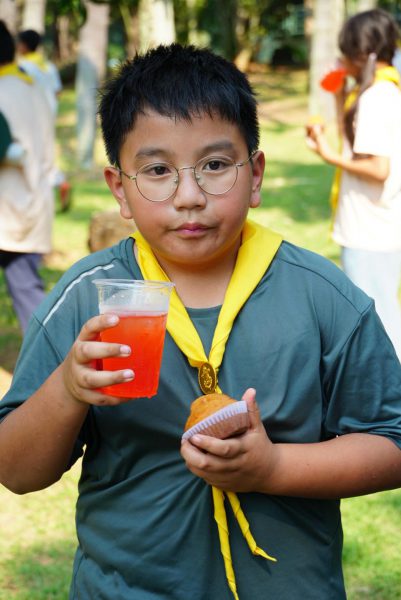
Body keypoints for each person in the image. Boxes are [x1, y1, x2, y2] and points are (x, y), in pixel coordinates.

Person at [1, 43, 401, 600]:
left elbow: (391, 442)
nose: (188, 196)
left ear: (255, 174)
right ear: (119, 189)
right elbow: (16, 471)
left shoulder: (322, 297)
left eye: (214, 165)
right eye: (157, 170)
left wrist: (272, 469)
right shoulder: (87, 298)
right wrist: (67, 389)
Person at [306, 9, 401, 360]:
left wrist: (328, 155)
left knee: (379, 323)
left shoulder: (377, 97)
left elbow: (378, 167)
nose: (340, 59)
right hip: (371, 226)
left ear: (362, 54)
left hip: (371, 231)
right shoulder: (377, 90)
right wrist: (338, 96)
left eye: (345, 52)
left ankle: (390, 389)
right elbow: (359, 147)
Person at [0, 21, 54, 334]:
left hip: (9, 204)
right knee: (26, 289)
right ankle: (48, 355)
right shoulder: (33, 86)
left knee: (25, 290)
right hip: (33, 201)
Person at [17, 28, 71, 211]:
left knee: (31, 156)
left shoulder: (23, 68)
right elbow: (57, 92)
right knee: (46, 156)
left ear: (24, 45)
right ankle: (60, 182)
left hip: (30, 118)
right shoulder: (49, 66)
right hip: (48, 116)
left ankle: (36, 196)